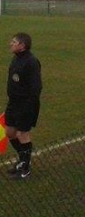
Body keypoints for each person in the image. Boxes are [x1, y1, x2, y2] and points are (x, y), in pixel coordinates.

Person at [6, 33, 42, 179]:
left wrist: (28, 106)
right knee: (9, 132)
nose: (11, 43)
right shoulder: (16, 58)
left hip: (26, 104)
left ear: (22, 46)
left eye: (14, 42)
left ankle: (25, 169)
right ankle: (22, 160)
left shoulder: (31, 62)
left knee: (22, 134)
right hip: (13, 103)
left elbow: (36, 87)